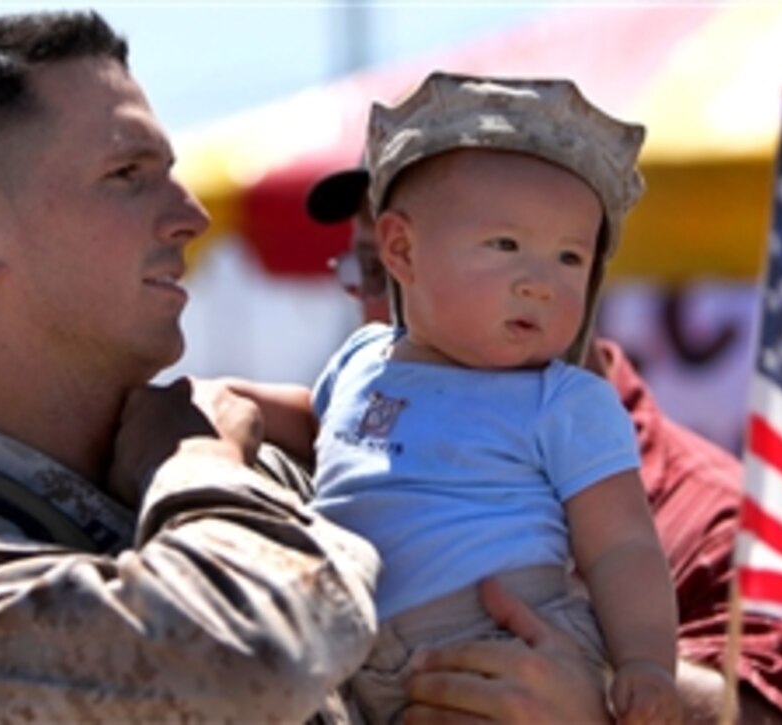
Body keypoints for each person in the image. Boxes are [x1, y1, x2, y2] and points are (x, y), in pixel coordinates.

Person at [0, 11, 381, 722]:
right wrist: (198, 468)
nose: (191, 215)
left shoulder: (264, 465)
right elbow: (246, 663)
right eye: (127, 174)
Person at [302, 135, 782, 725]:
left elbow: (770, 713)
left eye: (555, 253)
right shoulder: (344, 426)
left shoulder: (735, 523)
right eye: (372, 265)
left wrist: (601, 695)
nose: (386, 296)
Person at [232, 72, 683, 725]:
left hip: (498, 644)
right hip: (345, 655)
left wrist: (645, 661)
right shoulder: (362, 360)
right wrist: (214, 401)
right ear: (402, 250)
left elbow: (622, 546)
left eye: (568, 257)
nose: (539, 283)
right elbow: (316, 420)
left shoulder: (564, 402)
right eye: (505, 245)